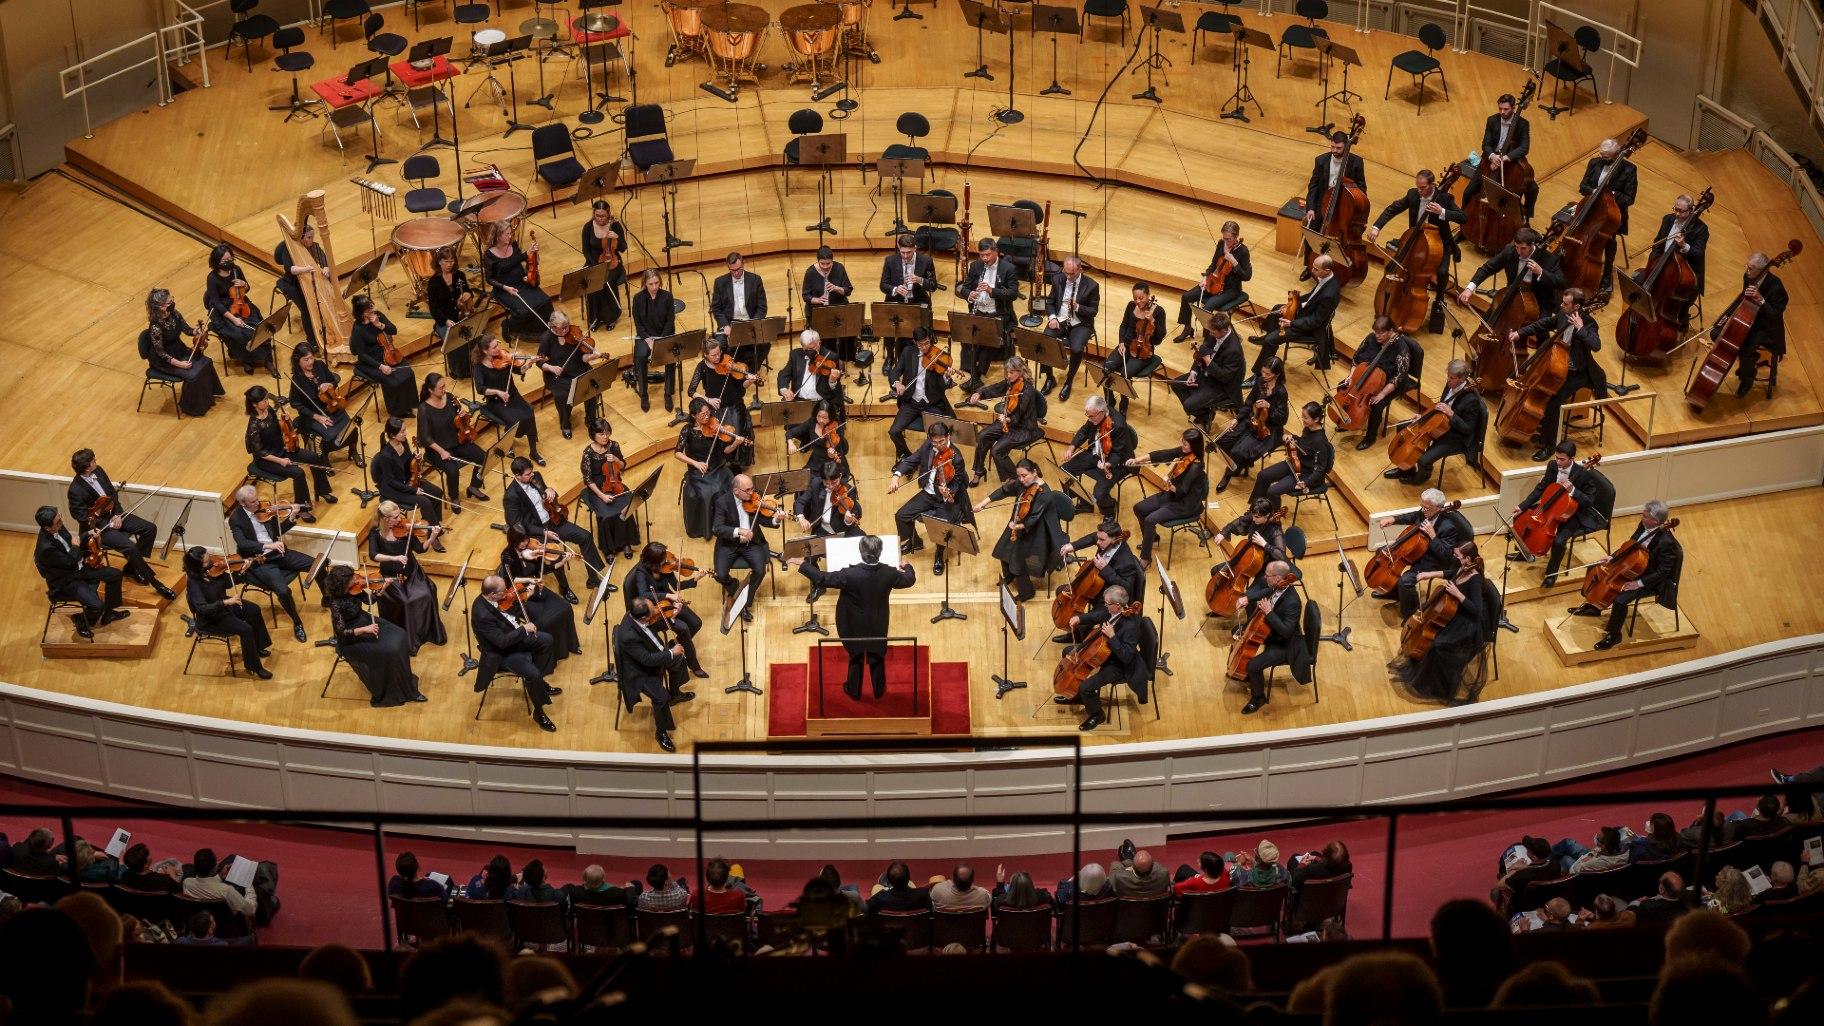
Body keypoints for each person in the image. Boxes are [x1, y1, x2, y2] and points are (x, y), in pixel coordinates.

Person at [792, 536, 916, 700]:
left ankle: (853, 689)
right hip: (878, 620)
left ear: (861, 552)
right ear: (880, 553)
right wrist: (908, 566)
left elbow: (822, 578)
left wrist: (802, 563)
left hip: (853, 621)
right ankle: (878, 689)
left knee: (855, 654)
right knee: (877, 654)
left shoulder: (849, 574)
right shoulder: (889, 573)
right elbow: (909, 579)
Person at [1390, 541, 1495, 704]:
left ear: (1467, 558)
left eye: (1458, 555)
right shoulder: (1463, 567)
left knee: (1437, 644)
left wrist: (1458, 594)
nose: (1456, 557)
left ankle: (1438, 687)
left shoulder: (1475, 580)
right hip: (1455, 613)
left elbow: (1477, 610)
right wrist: (1429, 575)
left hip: (1467, 623)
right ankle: (1426, 673)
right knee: (1431, 638)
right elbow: (1451, 573)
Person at [1569, 499, 1681, 650]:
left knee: (1620, 600)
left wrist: (1638, 583)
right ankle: (1594, 606)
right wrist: (1613, 557)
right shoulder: (1643, 525)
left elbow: (1662, 572)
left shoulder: (1667, 543)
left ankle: (1614, 635)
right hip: (1630, 566)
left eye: (1645, 516)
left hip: (1648, 578)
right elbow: (1629, 546)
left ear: (1655, 521)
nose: (1641, 518)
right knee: (1595, 568)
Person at [66, 449, 173, 599]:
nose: (96, 461)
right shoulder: (75, 490)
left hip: (115, 515)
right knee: (129, 547)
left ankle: (131, 568)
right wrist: (107, 522)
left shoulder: (99, 470)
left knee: (150, 529)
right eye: (93, 460)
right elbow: (80, 516)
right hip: (98, 528)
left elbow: (112, 494)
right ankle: (155, 583)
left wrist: (117, 515)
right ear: (87, 467)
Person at [323, 563, 425, 708]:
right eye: (352, 578)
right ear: (343, 584)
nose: (357, 579)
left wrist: (384, 587)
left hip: (363, 621)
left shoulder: (355, 589)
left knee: (401, 635)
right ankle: (393, 689)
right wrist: (366, 629)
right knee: (391, 650)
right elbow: (341, 633)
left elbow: (369, 601)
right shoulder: (336, 604)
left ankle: (404, 680)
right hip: (351, 639)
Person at [1366, 169, 1465, 314]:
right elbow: (1392, 209)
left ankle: (1439, 300)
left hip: (1439, 245)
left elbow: (1463, 218)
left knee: (1442, 273)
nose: (1419, 191)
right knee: (1392, 267)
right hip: (1414, 240)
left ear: (1432, 185)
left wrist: (1442, 212)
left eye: (1423, 188)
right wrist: (1376, 227)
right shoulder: (1413, 194)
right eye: (1418, 187)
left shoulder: (1444, 198)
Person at [227, 485, 318, 642]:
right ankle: (297, 623)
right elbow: (242, 543)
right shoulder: (236, 519)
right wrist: (267, 545)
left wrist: (292, 516)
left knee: (318, 563)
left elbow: (277, 532)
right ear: (243, 503)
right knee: (283, 591)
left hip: (279, 553)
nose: (258, 503)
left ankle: (328, 599)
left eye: (257, 499)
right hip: (261, 561)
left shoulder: (265, 509)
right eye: (253, 501)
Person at [503, 456, 603, 598]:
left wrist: (551, 490)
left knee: (585, 536)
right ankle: (564, 588)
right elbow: (518, 525)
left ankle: (594, 580)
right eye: (527, 474)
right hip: (537, 531)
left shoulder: (535, 476)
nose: (532, 475)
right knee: (555, 556)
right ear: (517, 475)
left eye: (531, 472)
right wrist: (544, 532)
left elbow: (548, 495)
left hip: (553, 521)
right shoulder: (511, 496)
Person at [471, 575, 560, 732]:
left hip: (512, 638)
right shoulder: (482, 614)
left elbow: (506, 617)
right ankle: (539, 713)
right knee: (533, 674)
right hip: (501, 653)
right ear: (492, 595)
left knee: (547, 640)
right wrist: (523, 629)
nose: (506, 593)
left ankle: (538, 683)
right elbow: (502, 643)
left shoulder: (491, 599)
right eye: (503, 591)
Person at [1051, 586, 1148, 731]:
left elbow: (1126, 657)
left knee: (1086, 687)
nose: (1105, 606)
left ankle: (1097, 714)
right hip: (1105, 652)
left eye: (1107, 603)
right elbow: (1097, 615)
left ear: (1118, 605)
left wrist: (1113, 637)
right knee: (1068, 652)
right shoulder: (1113, 611)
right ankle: (1077, 695)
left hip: (1119, 665)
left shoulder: (1131, 626)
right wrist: (1079, 618)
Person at [1515, 439, 1609, 587]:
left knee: (1559, 541)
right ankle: (1524, 552)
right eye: (1556, 458)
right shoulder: (1552, 466)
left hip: (1572, 513)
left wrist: (1573, 490)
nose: (1558, 462)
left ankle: (1551, 574)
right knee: (1523, 517)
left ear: (1572, 459)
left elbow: (1589, 501)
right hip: (1551, 505)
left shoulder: (1584, 475)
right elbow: (1542, 487)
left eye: (1562, 459)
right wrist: (1522, 505)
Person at [1374, 488, 1475, 618]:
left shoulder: (1448, 527)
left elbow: (1445, 554)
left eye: (1426, 508)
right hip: (1416, 548)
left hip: (1433, 558)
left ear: (1438, 508)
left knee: (1406, 581)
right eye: (1422, 506)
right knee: (1381, 552)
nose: (1422, 510)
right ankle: (1393, 592)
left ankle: (1411, 613)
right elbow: (1413, 516)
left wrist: (1433, 536)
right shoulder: (1426, 511)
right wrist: (1393, 519)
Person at [889, 420, 974, 576]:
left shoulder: (956, 458)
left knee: (941, 529)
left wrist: (949, 492)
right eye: (934, 442)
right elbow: (912, 460)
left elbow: (959, 482)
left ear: (948, 437)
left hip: (946, 500)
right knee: (901, 516)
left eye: (941, 441)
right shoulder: (928, 446)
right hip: (928, 493)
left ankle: (939, 555)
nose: (938, 445)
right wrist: (896, 475)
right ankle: (913, 541)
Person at [974, 459, 1064, 603]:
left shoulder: (1045, 494)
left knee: (1017, 561)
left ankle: (1027, 592)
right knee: (1003, 549)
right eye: (1019, 476)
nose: (1021, 479)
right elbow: (1004, 490)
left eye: (1024, 475)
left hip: (1035, 532)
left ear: (1034, 472)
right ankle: (1009, 576)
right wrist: (984, 503)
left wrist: (1017, 526)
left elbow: (1033, 518)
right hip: (1017, 524)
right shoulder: (1022, 483)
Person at [1385, 359, 1486, 485]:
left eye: (1452, 378)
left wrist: (1451, 414)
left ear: (1462, 378)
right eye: (1448, 376)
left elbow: (1467, 429)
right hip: (1439, 425)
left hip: (1456, 436)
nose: (1448, 380)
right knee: (1402, 427)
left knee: (1424, 460)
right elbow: (1439, 406)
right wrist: (1422, 417)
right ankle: (1405, 469)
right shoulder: (1450, 384)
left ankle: (1419, 479)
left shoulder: (1471, 400)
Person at [613, 598, 693, 753]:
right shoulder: (628, 636)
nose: (657, 610)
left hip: (651, 651)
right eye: (653, 610)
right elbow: (647, 660)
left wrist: (673, 615)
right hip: (639, 671)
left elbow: (655, 623)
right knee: (661, 697)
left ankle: (675, 694)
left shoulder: (635, 614)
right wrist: (670, 652)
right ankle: (661, 732)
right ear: (643, 618)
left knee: (679, 661)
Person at [181, 546, 272, 679]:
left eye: (209, 556)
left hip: (224, 606)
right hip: (211, 618)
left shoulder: (213, 570)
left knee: (254, 610)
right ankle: (255, 667)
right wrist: (226, 602)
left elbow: (229, 584)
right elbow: (202, 609)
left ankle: (257, 647)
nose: (211, 560)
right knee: (246, 629)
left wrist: (242, 571)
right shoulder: (194, 582)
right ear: (198, 564)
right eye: (207, 559)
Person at [369, 501, 448, 654]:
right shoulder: (375, 533)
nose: (400, 519)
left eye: (400, 514)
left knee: (428, 592)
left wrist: (432, 536)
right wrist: (395, 558)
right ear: (385, 519)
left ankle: (427, 631)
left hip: (412, 574)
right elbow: (373, 555)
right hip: (390, 578)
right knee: (405, 602)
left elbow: (420, 549)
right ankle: (407, 637)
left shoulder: (406, 530)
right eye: (395, 517)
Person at [624, 542, 711, 679]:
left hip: (670, 604)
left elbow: (677, 585)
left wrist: (696, 578)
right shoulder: (641, 572)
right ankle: (694, 666)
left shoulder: (665, 568)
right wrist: (668, 595)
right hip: (655, 612)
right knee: (683, 629)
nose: (667, 560)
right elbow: (644, 594)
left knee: (696, 623)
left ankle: (674, 644)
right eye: (663, 558)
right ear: (654, 561)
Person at [1126, 429, 1209, 567]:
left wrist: (1168, 481)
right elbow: (1163, 454)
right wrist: (1137, 460)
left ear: (1195, 445)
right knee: (1139, 508)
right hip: (1173, 495)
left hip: (1185, 503)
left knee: (1150, 520)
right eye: (1182, 442)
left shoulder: (1196, 466)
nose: (1182, 445)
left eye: (1186, 444)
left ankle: (1145, 559)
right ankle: (1152, 539)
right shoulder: (1185, 452)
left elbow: (1181, 489)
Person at [244, 385, 334, 512]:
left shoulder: (269, 410)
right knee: (298, 472)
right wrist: (280, 461)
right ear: (254, 404)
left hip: (282, 449)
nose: (267, 402)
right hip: (267, 460)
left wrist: (286, 420)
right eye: (264, 401)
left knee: (313, 457)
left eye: (267, 399)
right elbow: (260, 453)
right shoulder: (253, 426)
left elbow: (280, 428)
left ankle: (322, 490)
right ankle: (302, 509)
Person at [1054, 519, 1145, 643]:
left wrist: (1105, 569)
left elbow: (1127, 588)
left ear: (1114, 540)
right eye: (1098, 538)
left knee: (1085, 618)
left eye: (1101, 540)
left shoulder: (1126, 561)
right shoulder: (1105, 540)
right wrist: (1073, 546)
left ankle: (1080, 642)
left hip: (1109, 597)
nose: (1097, 542)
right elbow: (1093, 537)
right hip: (1094, 586)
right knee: (1062, 592)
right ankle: (1073, 634)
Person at [1714, 251, 1789, 398]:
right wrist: (1727, 316)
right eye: (1747, 267)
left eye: (1750, 268)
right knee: (1716, 333)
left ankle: (1748, 377)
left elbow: (1774, 315)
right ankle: (1747, 364)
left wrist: (1761, 300)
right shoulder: (1748, 276)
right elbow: (1742, 299)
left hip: (1765, 326)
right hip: (1746, 319)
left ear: (1763, 270)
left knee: (1745, 350)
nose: (1746, 271)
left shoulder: (1776, 287)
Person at [499, 530, 582, 658]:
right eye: (521, 541)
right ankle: (553, 652)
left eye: (526, 540)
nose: (525, 543)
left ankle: (571, 645)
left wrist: (564, 560)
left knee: (565, 607)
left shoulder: (532, 548)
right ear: (513, 541)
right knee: (546, 620)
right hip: (520, 592)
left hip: (536, 585)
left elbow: (545, 570)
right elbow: (510, 580)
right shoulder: (507, 556)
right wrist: (530, 580)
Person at [711, 473, 781, 624]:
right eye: (748, 490)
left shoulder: (754, 498)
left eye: (752, 489)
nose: (752, 493)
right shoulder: (722, 503)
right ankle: (735, 588)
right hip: (729, 544)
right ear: (737, 491)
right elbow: (717, 529)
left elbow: (764, 520)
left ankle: (746, 600)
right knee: (719, 575)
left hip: (751, 544)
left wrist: (776, 519)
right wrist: (738, 531)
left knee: (760, 570)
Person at [1237, 561, 1306, 715]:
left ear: (1277, 577)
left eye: (1267, 575)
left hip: (1286, 645)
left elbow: (1287, 632)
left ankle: (1258, 698)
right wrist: (1247, 598)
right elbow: (1264, 591)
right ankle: (1253, 678)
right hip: (1273, 633)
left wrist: (1269, 613)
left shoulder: (1292, 602)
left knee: (1253, 666)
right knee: (1238, 631)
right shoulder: (1279, 585)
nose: (1264, 578)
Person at [143, 287, 223, 416]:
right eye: (169, 302)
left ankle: (207, 398)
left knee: (206, 362)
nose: (172, 303)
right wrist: (180, 364)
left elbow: (187, 329)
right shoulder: (155, 327)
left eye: (171, 299)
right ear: (160, 307)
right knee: (192, 375)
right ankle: (192, 407)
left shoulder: (175, 313)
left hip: (178, 349)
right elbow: (161, 353)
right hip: (165, 360)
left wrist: (196, 331)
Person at [1344, 317, 1423, 448]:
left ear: (1391, 331)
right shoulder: (1371, 338)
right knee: (1344, 386)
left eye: (1381, 333)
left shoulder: (1401, 348)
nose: (1377, 336)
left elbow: (1399, 376)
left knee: (1376, 404)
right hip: (1366, 377)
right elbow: (1356, 358)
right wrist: (1351, 377)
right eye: (1375, 332)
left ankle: (1370, 437)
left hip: (1390, 384)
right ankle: (1348, 420)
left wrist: (1382, 394)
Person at [1213, 356, 1288, 492]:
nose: (1264, 375)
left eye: (1268, 374)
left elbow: (1282, 419)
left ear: (1277, 374)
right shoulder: (1259, 382)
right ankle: (1237, 464)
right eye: (1263, 372)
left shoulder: (1281, 392)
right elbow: (1248, 404)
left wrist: (1269, 407)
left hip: (1268, 430)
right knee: (1223, 440)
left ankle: (1228, 474)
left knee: (1238, 451)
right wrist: (1237, 418)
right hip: (1251, 421)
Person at [1252, 255, 1339, 371]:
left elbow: (1316, 321)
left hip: (1309, 327)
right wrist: (1291, 304)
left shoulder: (1329, 294)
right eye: (1312, 267)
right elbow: (1312, 297)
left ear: (1326, 270)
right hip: (1306, 315)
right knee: (1277, 308)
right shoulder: (1327, 278)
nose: (1312, 271)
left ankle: (1259, 373)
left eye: (1316, 269)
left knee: (1271, 340)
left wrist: (1291, 323)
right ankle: (1266, 338)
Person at [416, 373, 490, 509]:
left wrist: (462, 415)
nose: (444, 390)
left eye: (444, 386)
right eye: (440, 388)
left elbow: (458, 421)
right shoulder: (424, 409)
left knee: (483, 458)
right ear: (430, 390)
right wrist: (442, 452)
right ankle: (454, 497)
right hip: (436, 449)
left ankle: (474, 486)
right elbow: (426, 438)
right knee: (453, 470)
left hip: (457, 440)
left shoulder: (449, 398)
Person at [966, 354, 1041, 485]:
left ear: (1021, 371)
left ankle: (1016, 479)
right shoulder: (1010, 382)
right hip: (1009, 421)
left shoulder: (1028, 390)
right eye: (1007, 372)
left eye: (1011, 372)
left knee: (997, 450)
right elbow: (995, 388)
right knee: (982, 435)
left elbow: (1019, 415)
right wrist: (980, 393)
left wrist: (1008, 419)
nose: (1008, 375)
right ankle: (979, 471)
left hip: (1024, 428)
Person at [1058, 395, 1135, 519]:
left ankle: (1110, 511)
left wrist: (1108, 464)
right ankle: (1085, 502)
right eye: (1087, 415)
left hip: (1117, 463)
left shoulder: (1119, 425)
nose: (1089, 418)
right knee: (1064, 471)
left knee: (1099, 494)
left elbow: (1118, 453)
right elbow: (1084, 431)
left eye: (1091, 416)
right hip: (1096, 454)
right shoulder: (1095, 416)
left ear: (1101, 413)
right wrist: (1072, 447)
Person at [1577, 137, 1639, 291]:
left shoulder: (1629, 170)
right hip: (1591, 207)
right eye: (1601, 154)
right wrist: (1594, 192)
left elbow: (1629, 198)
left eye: (1605, 156)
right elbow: (1583, 186)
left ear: (1617, 154)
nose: (1601, 158)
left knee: (1609, 240)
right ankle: (1579, 263)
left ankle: (1606, 273)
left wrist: (1608, 194)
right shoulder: (1594, 163)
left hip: (1613, 214)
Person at [676, 398, 742, 539]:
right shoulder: (687, 430)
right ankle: (711, 527)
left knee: (731, 485)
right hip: (699, 471)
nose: (707, 417)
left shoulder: (715, 426)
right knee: (709, 492)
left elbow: (726, 451)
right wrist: (695, 463)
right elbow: (678, 453)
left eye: (708, 413)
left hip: (718, 466)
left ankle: (728, 523)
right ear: (694, 416)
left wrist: (735, 443)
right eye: (703, 415)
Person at [887, 327, 957, 460]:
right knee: (894, 431)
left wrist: (946, 377)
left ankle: (930, 459)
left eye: (927, 343)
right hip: (911, 403)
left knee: (936, 435)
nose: (924, 347)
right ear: (915, 342)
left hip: (932, 403)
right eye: (920, 344)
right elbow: (895, 371)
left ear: (930, 339)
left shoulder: (939, 355)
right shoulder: (908, 352)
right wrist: (897, 383)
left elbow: (943, 386)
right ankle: (907, 456)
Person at [1174, 220, 1252, 340]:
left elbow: (1247, 276)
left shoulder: (1243, 251)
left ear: (1236, 237)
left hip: (1230, 289)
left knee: (1207, 308)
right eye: (1224, 238)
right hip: (1213, 282)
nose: (1227, 242)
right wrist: (1206, 277)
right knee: (1187, 296)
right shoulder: (1221, 244)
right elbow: (1213, 264)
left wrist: (1234, 262)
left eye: (1229, 239)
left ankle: (1208, 339)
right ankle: (1187, 328)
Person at [957, 238, 1018, 389]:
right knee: (966, 335)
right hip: (978, 310)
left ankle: (977, 376)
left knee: (986, 338)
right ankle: (970, 371)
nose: (985, 258)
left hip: (998, 313)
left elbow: (1013, 293)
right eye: (982, 255)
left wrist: (992, 291)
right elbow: (964, 287)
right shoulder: (976, 266)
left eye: (988, 255)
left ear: (996, 252)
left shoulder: (1008, 268)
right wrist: (969, 294)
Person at [1460, 225, 1563, 315]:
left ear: (1532, 245)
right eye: (1517, 247)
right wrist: (1469, 289)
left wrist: (1541, 272)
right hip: (1513, 293)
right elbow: (1487, 268)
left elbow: (1561, 282)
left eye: (1523, 248)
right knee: (1490, 316)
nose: (1519, 252)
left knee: (1540, 330)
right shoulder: (1510, 251)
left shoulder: (1548, 259)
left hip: (1539, 300)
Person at [474, 335, 543, 465]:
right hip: (496, 402)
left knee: (529, 411)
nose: (498, 349)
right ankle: (508, 441)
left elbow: (519, 370)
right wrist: (498, 392)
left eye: (497, 345)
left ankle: (533, 452)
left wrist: (529, 363)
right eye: (494, 347)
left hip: (513, 395)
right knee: (515, 420)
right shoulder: (479, 367)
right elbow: (480, 389)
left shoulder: (504, 358)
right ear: (485, 351)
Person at [1462, 92, 1534, 217]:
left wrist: (1505, 158)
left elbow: (1524, 148)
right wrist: (1492, 156)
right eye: (1500, 108)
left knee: (1533, 189)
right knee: (1468, 192)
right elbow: (1486, 144)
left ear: (1513, 108)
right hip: (1489, 163)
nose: (1502, 112)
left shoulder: (1522, 124)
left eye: (1506, 109)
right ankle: (1463, 220)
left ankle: (1526, 217)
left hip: (1510, 164)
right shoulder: (1492, 120)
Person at [203, 242, 270, 374]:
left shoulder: (236, 270)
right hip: (223, 311)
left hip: (240, 302)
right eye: (225, 260)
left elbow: (247, 289)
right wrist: (233, 319)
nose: (228, 262)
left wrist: (244, 285)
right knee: (239, 334)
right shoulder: (212, 278)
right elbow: (216, 302)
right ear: (217, 261)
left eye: (230, 259)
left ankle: (267, 358)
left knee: (258, 327)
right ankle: (246, 360)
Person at [1172, 311, 1246, 431]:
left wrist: (1209, 362)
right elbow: (1203, 350)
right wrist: (1193, 372)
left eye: (1213, 332)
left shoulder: (1234, 350)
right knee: (1177, 384)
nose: (1210, 333)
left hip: (1222, 386)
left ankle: (1202, 415)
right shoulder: (1214, 333)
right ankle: (1204, 415)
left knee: (1189, 405)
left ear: (1224, 331)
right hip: (1207, 375)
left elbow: (1225, 377)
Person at [535, 309, 603, 438]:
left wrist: (592, 356)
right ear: (553, 327)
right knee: (562, 396)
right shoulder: (546, 339)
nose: (567, 330)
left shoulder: (574, 334)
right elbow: (539, 361)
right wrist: (551, 367)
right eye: (563, 328)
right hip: (558, 377)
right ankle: (565, 424)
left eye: (567, 326)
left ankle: (590, 420)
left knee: (593, 386)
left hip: (579, 369)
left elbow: (582, 357)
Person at [288, 343, 358, 468]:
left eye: (311, 358)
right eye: (306, 360)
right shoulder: (297, 380)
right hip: (313, 414)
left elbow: (335, 380)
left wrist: (330, 385)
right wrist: (316, 417)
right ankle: (325, 461)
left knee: (351, 427)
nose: (310, 362)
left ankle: (353, 451)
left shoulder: (319, 365)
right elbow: (296, 404)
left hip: (332, 407)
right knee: (330, 436)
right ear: (298, 361)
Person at [372, 417, 445, 532]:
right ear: (392, 435)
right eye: (402, 432)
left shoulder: (403, 442)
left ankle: (431, 523)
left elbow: (406, 461)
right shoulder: (385, 456)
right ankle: (434, 533)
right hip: (394, 489)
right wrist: (413, 490)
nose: (405, 433)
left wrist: (414, 458)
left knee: (437, 492)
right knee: (425, 502)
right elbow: (391, 481)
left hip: (409, 479)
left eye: (405, 429)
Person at [349, 295, 417, 419]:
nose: (371, 310)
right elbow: (362, 354)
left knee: (408, 373)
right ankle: (397, 411)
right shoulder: (358, 329)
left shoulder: (378, 316)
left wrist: (379, 324)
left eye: (371, 306)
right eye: (367, 309)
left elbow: (394, 330)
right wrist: (380, 366)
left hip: (389, 354)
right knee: (394, 382)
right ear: (361, 312)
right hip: (371, 362)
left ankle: (410, 404)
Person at [1252, 401, 1333, 504]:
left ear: (1316, 419)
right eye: (1302, 416)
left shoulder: (1320, 441)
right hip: (1296, 463)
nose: (1302, 419)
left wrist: (1306, 483)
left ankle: (1274, 519)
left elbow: (1320, 469)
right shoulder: (1308, 429)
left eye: (1305, 417)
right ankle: (1255, 509)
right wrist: (1291, 437)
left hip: (1307, 474)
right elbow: (1303, 442)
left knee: (1273, 491)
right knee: (1263, 475)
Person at [1103, 282, 1166, 415]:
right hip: (1126, 346)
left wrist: (1153, 321)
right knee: (1105, 369)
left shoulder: (1158, 311)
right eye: (1135, 298)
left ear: (1148, 295)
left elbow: (1160, 338)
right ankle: (1110, 401)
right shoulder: (1131, 306)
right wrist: (1120, 343)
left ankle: (1124, 403)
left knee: (1125, 375)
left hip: (1143, 352)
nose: (1137, 301)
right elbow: (1123, 326)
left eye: (1141, 298)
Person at [1042, 256, 1099, 398]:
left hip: (1080, 322)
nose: (1068, 276)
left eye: (1072, 273)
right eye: (1066, 272)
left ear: (1080, 269)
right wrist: (1053, 318)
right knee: (1045, 340)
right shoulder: (1058, 279)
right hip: (1060, 319)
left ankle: (1069, 380)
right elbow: (1050, 302)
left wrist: (1078, 307)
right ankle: (1050, 378)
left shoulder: (1092, 286)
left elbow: (1093, 311)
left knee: (1077, 349)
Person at [580, 419, 638, 559]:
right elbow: (588, 480)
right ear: (593, 435)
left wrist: (616, 460)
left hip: (615, 483)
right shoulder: (588, 453)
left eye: (607, 433)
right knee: (606, 515)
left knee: (626, 507)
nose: (605, 437)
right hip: (597, 489)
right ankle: (609, 549)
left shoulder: (614, 445)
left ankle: (625, 542)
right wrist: (602, 496)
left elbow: (623, 465)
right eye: (601, 434)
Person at [482, 221, 551, 335]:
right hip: (505, 289)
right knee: (524, 311)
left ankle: (544, 332)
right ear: (498, 236)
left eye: (510, 233)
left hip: (522, 282)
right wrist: (505, 288)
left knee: (545, 300)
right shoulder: (489, 255)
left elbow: (522, 260)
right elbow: (489, 279)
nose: (510, 236)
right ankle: (509, 326)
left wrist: (533, 253)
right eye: (507, 234)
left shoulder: (513, 244)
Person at [1646, 194, 1711, 314]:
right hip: (1662, 264)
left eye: (1681, 211)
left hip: (1685, 273)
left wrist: (1684, 245)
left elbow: (1698, 254)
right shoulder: (1668, 219)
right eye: (1676, 209)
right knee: (1638, 279)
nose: (1677, 214)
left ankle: (1680, 319)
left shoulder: (1701, 229)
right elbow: (1657, 244)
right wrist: (1653, 263)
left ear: (1691, 210)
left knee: (1675, 305)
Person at [274, 220, 333, 348]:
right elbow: (290, 269)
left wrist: (326, 268)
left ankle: (329, 326)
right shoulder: (288, 248)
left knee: (327, 290)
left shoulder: (313, 246)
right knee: (307, 308)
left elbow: (323, 260)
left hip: (307, 280)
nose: (311, 240)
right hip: (291, 283)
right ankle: (312, 341)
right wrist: (305, 269)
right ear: (301, 237)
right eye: (309, 237)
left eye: (312, 237)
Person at [710, 251, 769, 370]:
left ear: (743, 263)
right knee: (719, 346)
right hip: (730, 324)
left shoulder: (755, 279)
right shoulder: (720, 282)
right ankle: (730, 374)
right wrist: (725, 325)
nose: (736, 273)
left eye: (739, 269)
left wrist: (753, 323)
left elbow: (762, 307)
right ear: (728, 267)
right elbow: (716, 308)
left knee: (765, 344)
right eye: (733, 270)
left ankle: (751, 372)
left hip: (750, 322)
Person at [629, 268, 677, 412]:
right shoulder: (638, 298)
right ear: (645, 283)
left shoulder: (667, 296)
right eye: (651, 284)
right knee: (640, 356)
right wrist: (649, 340)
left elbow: (670, 321)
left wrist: (660, 341)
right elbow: (638, 323)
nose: (655, 287)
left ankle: (668, 394)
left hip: (664, 335)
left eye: (657, 283)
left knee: (671, 356)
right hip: (645, 337)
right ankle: (643, 394)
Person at [1305, 129, 1369, 233]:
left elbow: (1361, 188)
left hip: (1344, 207)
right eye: (1332, 147)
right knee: (1311, 233)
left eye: (1339, 148)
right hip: (1323, 205)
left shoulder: (1356, 162)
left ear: (1346, 147)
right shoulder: (1321, 160)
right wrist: (1310, 208)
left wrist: (1361, 214)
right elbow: (1313, 186)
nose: (1334, 150)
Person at [801, 245, 857, 362]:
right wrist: (817, 300)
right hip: (818, 311)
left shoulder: (839, 268)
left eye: (828, 264)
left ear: (832, 261)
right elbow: (806, 295)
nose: (825, 267)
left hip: (838, 308)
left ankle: (844, 358)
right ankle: (826, 359)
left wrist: (837, 288)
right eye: (822, 264)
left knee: (850, 327)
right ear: (818, 261)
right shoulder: (810, 272)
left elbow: (848, 290)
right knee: (825, 335)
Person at [579, 199, 627, 331]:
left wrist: (617, 237)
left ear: (608, 214)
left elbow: (623, 248)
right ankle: (595, 318)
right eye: (597, 215)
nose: (600, 218)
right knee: (590, 282)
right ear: (594, 214)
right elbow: (585, 250)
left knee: (607, 281)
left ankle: (611, 317)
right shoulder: (588, 227)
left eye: (603, 216)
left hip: (613, 262)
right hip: (593, 262)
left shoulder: (615, 226)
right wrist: (595, 264)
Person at [424, 247, 479, 359]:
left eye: (452, 261)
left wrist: (468, 295)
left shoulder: (459, 275)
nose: (449, 264)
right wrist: (445, 320)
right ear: (439, 261)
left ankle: (474, 364)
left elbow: (468, 292)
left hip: (462, 315)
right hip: (444, 321)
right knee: (455, 343)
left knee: (475, 336)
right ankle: (457, 369)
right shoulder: (433, 283)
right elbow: (433, 309)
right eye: (446, 261)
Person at [1216, 497, 1291, 571]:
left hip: (1265, 565)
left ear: (1267, 515)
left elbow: (1282, 556)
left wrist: (1264, 544)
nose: (1254, 519)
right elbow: (1240, 521)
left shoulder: (1275, 530)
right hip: (1250, 556)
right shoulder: (1254, 517)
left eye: (1257, 517)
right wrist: (1223, 533)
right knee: (1215, 570)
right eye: (1253, 516)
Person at [776, 329, 844, 407]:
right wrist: (784, 390)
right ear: (802, 346)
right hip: (799, 401)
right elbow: (783, 375)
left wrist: (832, 382)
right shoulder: (795, 355)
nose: (811, 351)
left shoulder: (831, 356)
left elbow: (834, 389)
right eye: (808, 349)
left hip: (821, 402)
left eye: (814, 348)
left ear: (819, 343)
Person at [879, 233, 939, 320]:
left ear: (915, 248)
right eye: (902, 252)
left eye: (909, 252)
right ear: (899, 247)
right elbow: (883, 285)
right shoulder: (890, 261)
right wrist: (895, 289)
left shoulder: (926, 261)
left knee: (920, 332)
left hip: (918, 301)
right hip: (896, 301)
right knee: (890, 332)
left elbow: (933, 286)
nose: (906, 256)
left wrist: (920, 280)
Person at [865, 862, 930, 914]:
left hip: (887, 929)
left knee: (876, 887)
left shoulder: (879, 898)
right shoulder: (923, 894)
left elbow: (866, 910)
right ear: (909, 878)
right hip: (916, 929)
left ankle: (886, 886)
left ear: (889, 881)